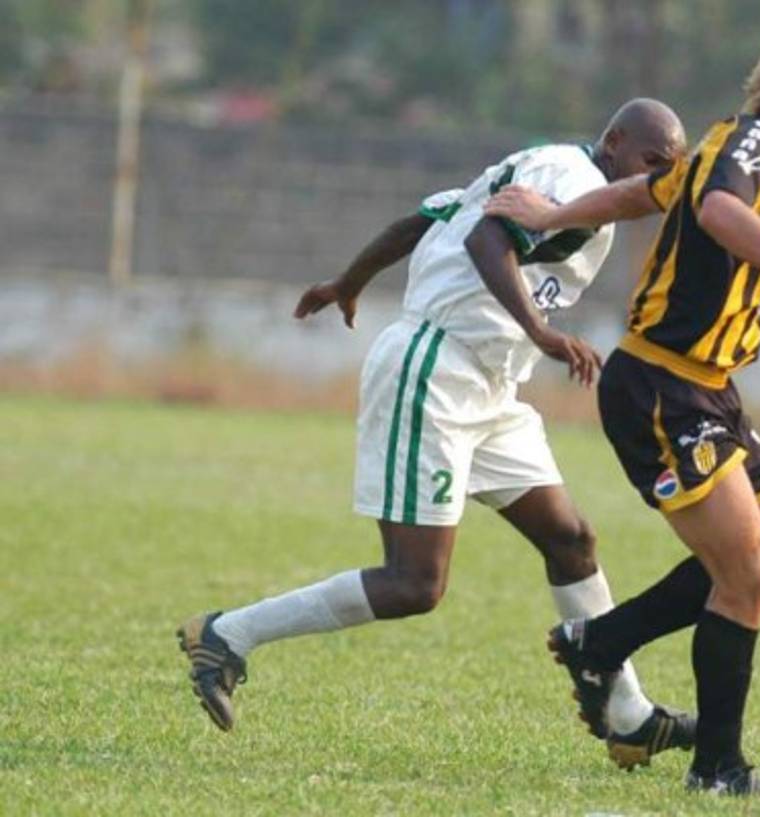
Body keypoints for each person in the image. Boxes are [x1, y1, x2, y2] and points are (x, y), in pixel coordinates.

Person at [177, 98, 695, 770]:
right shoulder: (575, 178)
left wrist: (349, 280)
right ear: (616, 141)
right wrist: (541, 333)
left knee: (571, 539)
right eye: (651, 162)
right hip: (439, 368)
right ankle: (226, 634)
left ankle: (627, 715)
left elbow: (427, 220)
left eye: (669, 170)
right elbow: (485, 239)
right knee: (415, 583)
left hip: (489, 388)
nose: (655, 179)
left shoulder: (561, 177)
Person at [486, 24, 760, 794]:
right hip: (661, 387)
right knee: (746, 573)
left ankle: (601, 640)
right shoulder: (753, 143)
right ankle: (717, 769)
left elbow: (648, 192)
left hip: (708, 390)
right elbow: (716, 214)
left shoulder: (749, 155)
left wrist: (555, 215)